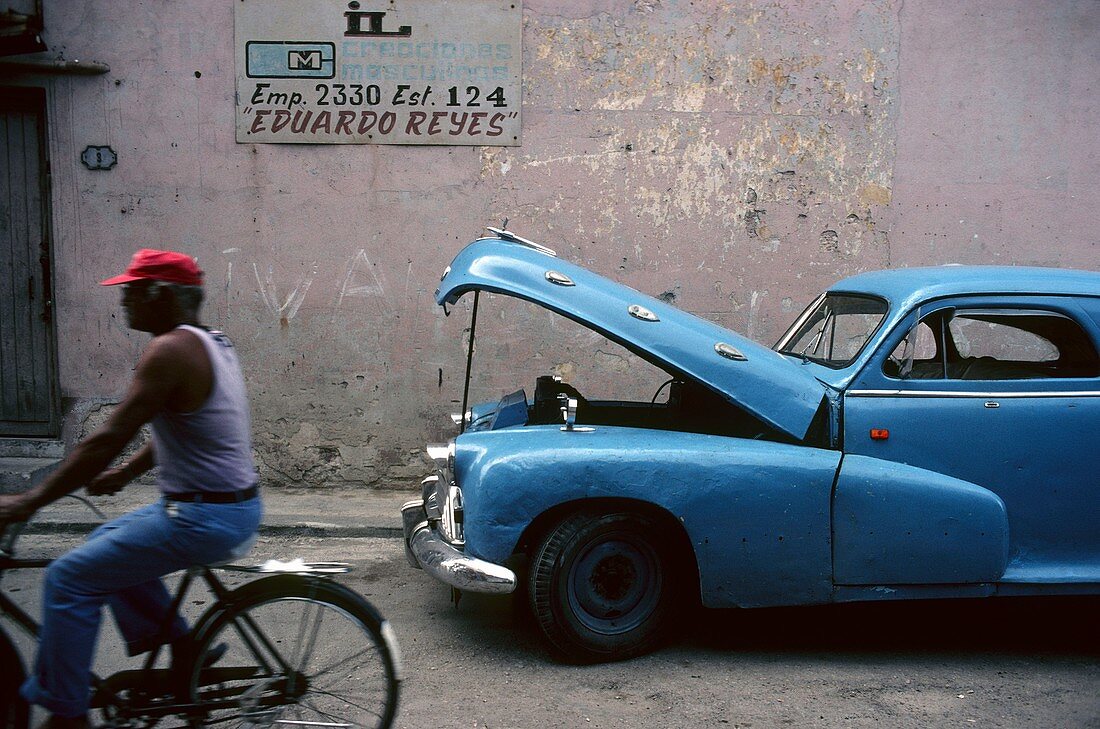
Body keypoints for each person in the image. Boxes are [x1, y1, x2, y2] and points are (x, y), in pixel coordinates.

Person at [0, 249, 262, 728]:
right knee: (105, 544)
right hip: (220, 508)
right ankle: (185, 649)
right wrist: (126, 474)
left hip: (204, 516)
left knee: (67, 579)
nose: (123, 300)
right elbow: (183, 426)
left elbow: (105, 440)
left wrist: (29, 501)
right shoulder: (211, 342)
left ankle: (66, 714)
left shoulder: (168, 351)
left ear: (161, 294)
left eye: (132, 289)